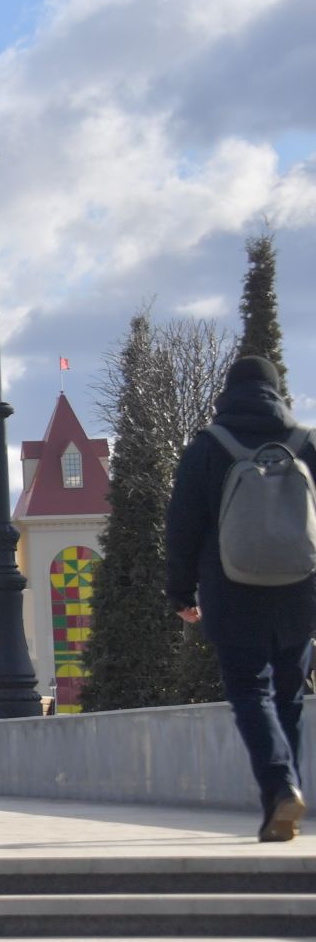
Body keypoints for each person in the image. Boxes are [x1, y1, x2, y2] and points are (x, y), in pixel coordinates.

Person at [167, 355, 315, 842]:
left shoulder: (209, 447)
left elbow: (182, 526)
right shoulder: (307, 443)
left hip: (231, 590)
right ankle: (283, 798)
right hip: (300, 590)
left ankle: (280, 787)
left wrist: (180, 591)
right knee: (290, 694)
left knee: (251, 690)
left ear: (227, 392)